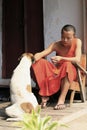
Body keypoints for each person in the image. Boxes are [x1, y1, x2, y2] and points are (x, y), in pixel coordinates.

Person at [31, 24, 82, 110]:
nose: (65, 40)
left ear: (74, 37)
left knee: (67, 64)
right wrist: (35, 57)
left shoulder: (77, 42)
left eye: (68, 38)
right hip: (58, 71)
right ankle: (44, 94)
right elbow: (41, 54)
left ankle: (61, 100)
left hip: (72, 72)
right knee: (40, 62)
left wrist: (61, 58)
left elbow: (77, 59)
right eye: (63, 37)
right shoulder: (56, 45)